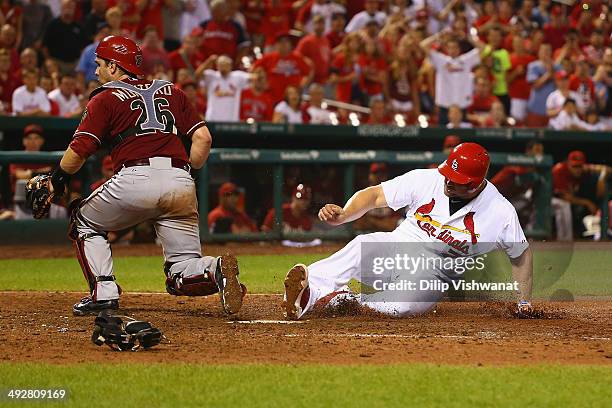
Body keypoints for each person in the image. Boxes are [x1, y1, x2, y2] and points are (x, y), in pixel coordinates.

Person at [35, 35, 245, 316]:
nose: (95, 71)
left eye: (99, 64)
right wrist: (187, 172)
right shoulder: (171, 89)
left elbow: (80, 149)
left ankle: (104, 292)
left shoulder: (106, 96)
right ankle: (214, 268)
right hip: (180, 180)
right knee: (180, 272)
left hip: (135, 178)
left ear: (113, 66)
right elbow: (204, 139)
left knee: (84, 221)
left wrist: (57, 178)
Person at [283, 143, 533, 320]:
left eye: (455, 180)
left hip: (434, 274)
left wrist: (524, 301)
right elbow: (375, 194)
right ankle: (309, 289)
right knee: (362, 244)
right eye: (447, 173)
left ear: (475, 184)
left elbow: (521, 255)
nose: (447, 181)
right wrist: (345, 215)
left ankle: (341, 300)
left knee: (401, 307)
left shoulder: (500, 211)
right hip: (398, 247)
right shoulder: (426, 179)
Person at [552, 150, 609, 240]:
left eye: (580, 166)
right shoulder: (559, 170)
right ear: (568, 163)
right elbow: (564, 197)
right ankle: (563, 240)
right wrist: (587, 202)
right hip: (550, 200)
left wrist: (601, 178)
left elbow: (606, 169)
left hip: (571, 201)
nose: (577, 169)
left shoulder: (585, 169)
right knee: (565, 205)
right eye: (574, 166)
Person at [491, 140, 544, 229]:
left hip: (509, 199)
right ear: (528, 151)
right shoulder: (518, 163)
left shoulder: (536, 169)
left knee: (531, 205)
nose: (540, 154)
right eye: (537, 150)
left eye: (541, 151)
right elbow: (518, 172)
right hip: (492, 198)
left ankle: (530, 234)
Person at [352, 163, 401, 232]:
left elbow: (393, 225)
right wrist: (383, 223)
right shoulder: (362, 194)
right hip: (366, 235)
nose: (379, 177)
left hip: (387, 237)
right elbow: (358, 224)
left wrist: (371, 221)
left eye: (382, 174)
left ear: (386, 176)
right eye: (375, 173)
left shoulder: (394, 194)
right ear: (370, 176)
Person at [202, 55, 250, 122]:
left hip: (232, 120)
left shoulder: (238, 77)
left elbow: (255, 78)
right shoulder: (211, 76)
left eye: (225, 64)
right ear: (217, 66)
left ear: (230, 66)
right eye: (221, 64)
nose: (223, 67)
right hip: (212, 119)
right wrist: (208, 61)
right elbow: (195, 76)